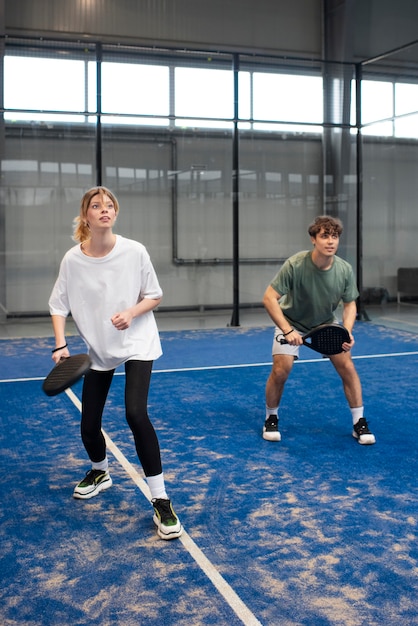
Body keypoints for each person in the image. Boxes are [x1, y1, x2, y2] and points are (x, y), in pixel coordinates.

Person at [48, 186, 183, 540]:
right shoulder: (72, 260)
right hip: (99, 348)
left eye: (109, 205)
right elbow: (57, 304)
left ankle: (161, 499)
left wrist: (131, 312)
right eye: (96, 206)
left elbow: (154, 294)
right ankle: (100, 471)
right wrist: (60, 344)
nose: (104, 210)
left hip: (137, 340)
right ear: (86, 215)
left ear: (115, 213)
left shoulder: (134, 251)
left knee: (135, 413)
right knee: (89, 426)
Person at [262, 215, 375, 446]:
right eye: (324, 236)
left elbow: (350, 303)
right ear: (313, 239)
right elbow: (269, 298)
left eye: (334, 236)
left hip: (325, 325)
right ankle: (271, 417)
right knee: (281, 370)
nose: (330, 241)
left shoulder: (344, 269)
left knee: (348, 368)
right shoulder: (295, 264)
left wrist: (347, 331)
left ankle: (359, 422)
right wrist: (287, 330)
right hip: (291, 323)